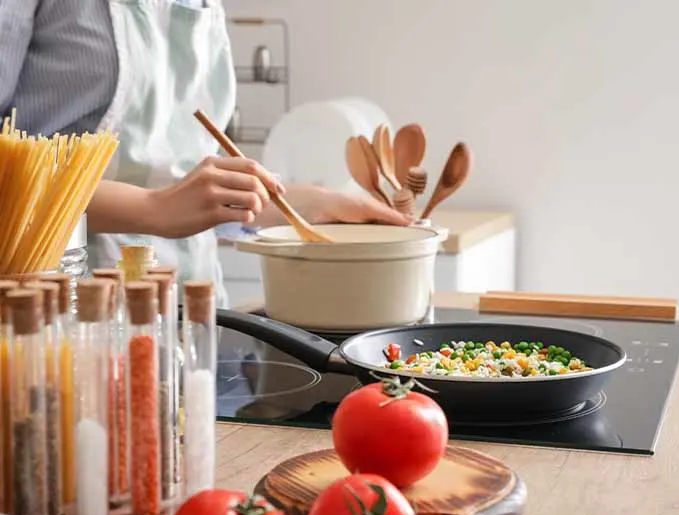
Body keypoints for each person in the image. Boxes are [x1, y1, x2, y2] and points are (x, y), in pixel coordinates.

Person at [0, 0, 409, 307]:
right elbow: (12, 179)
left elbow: (183, 180)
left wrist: (309, 204)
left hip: (191, 310)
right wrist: (153, 208)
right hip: (58, 311)